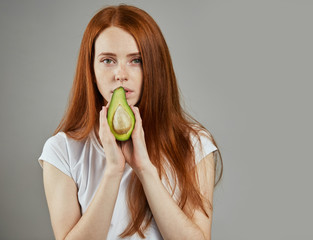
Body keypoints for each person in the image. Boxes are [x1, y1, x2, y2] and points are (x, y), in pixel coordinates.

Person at [38, 4, 223, 240]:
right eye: (108, 60)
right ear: (91, 70)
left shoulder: (194, 143)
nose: (120, 74)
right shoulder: (61, 150)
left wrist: (145, 169)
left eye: (136, 60)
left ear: (154, 68)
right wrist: (113, 171)